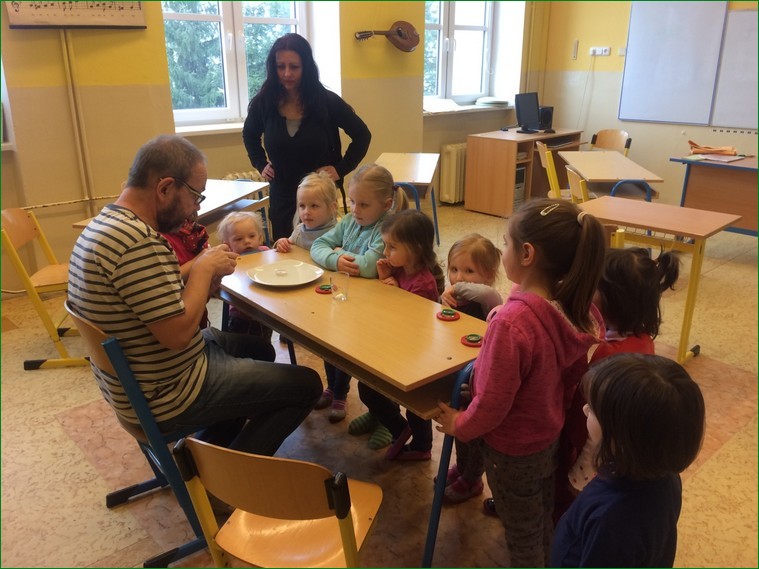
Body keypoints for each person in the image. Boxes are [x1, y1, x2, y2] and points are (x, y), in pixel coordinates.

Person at [67, 134, 322, 457]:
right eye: (195, 196)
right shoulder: (139, 243)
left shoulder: (106, 225)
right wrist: (202, 269)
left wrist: (200, 274)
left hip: (141, 379)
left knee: (258, 348)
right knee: (307, 385)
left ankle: (207, 453)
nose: (195, 209)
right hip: (169, 392)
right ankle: (231, 479)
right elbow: (177, 335)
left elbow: (150, 293)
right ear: (164, 188)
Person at [434, 198, 607, 567]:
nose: (503, 251)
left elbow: (493, 404)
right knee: (539, 513)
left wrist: (460, 424)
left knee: (522, 532)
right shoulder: (571, 306)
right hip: (547, 434)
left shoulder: (511, 324)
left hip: (511, 447)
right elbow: (566, 378)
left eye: (506, 244)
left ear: (527, 254)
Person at [551, 353, 705, 568]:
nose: (585, 409)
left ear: (622, 438)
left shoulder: (611, 519)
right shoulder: (667, 477)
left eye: (593, 409)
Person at [562, 247, 681, 499]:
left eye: (593, 287)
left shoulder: (610, 356)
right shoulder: (642, 338)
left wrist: (580, 474)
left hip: (587, 446)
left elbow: (599, 428)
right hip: (608, 449)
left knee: (566, 502)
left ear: (614, 300)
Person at [243, 33, 371, 241]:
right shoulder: (264, 102)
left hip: (319, 197)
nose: (287, 73)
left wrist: (340, 168)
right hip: (282, 195)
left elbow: (362, 135)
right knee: (285, 250)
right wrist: (260, 163)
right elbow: (249, 134)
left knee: (321, 251)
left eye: (294, 67)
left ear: (306, 67)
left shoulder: (327, 102)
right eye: (280, 66)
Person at [311, 163, 408, 427]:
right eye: (352, 201)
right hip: (350, 301)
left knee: (375, 366)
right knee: (333, 345)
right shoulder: (349, 222)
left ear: (387, 204)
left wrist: (338, 254)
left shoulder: (387, 229)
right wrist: (336, 259)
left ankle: (385, 419)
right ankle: (339, 391)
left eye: (363, 204)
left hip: (378, 309)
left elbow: (367, 267)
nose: (355, 209)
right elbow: (318, 245)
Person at [351, 209, 445, 461]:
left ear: (415, 249)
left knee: (415, 404)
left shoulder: (423, 282)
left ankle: (421, 446)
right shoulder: (400, 269)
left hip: (415, 355)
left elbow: (411, 319)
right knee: (368, 386)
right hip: (394, 345)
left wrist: (397, 292)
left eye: (392, 247)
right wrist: (386, 277)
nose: (385, 252)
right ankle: (392, 424)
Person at [439, 234, 503, 499]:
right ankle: (463, 467)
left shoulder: (488, 301)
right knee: (459, 431)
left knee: (474, 436)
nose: (458, 278)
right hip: (459, 374)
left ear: (488, 276)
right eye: (454, 269)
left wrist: (455, 289)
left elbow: (490, 294)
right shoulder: (454, 296)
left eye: (468, 271)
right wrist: (444, 297)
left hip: (480, 380)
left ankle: (473, 479)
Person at [216, 210, 272, 339]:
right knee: (241, 347)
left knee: (264, 346)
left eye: (251, 236)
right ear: (227, 244)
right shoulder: (229, 260)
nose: (247, 241)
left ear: (260, 238)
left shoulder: (266, 252)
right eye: (239, 239)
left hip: (265, 312)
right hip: (240, 316)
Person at [273, 171, 340, 253]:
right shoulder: (298, 232)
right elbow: (288, 249)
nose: (306, 212)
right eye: (302, 205)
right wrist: (282, 244)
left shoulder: (339, 234)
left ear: (332, 207)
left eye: (314, 206)